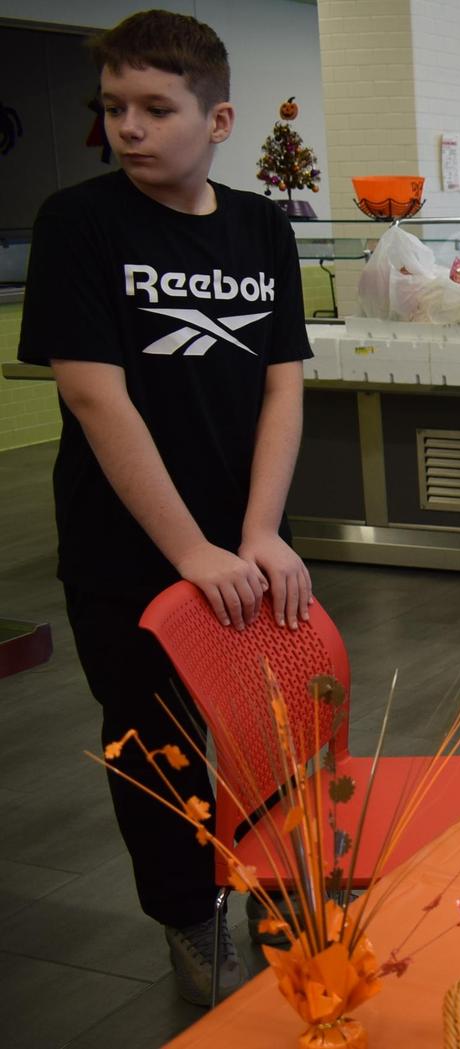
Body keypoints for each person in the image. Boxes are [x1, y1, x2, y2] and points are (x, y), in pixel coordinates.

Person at [17, 10, 315, 1005]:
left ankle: (277, 893)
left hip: (247, 542)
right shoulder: (81, 222)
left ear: (218, 116)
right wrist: (188, 547)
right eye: (113, 109)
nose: (130, 128)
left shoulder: (260, 226)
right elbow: (95, 392)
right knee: (157, 750)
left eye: (155, 107)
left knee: (274, 734)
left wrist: (259, 531)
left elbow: (282, 383)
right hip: (129, 551)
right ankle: (192, 922)